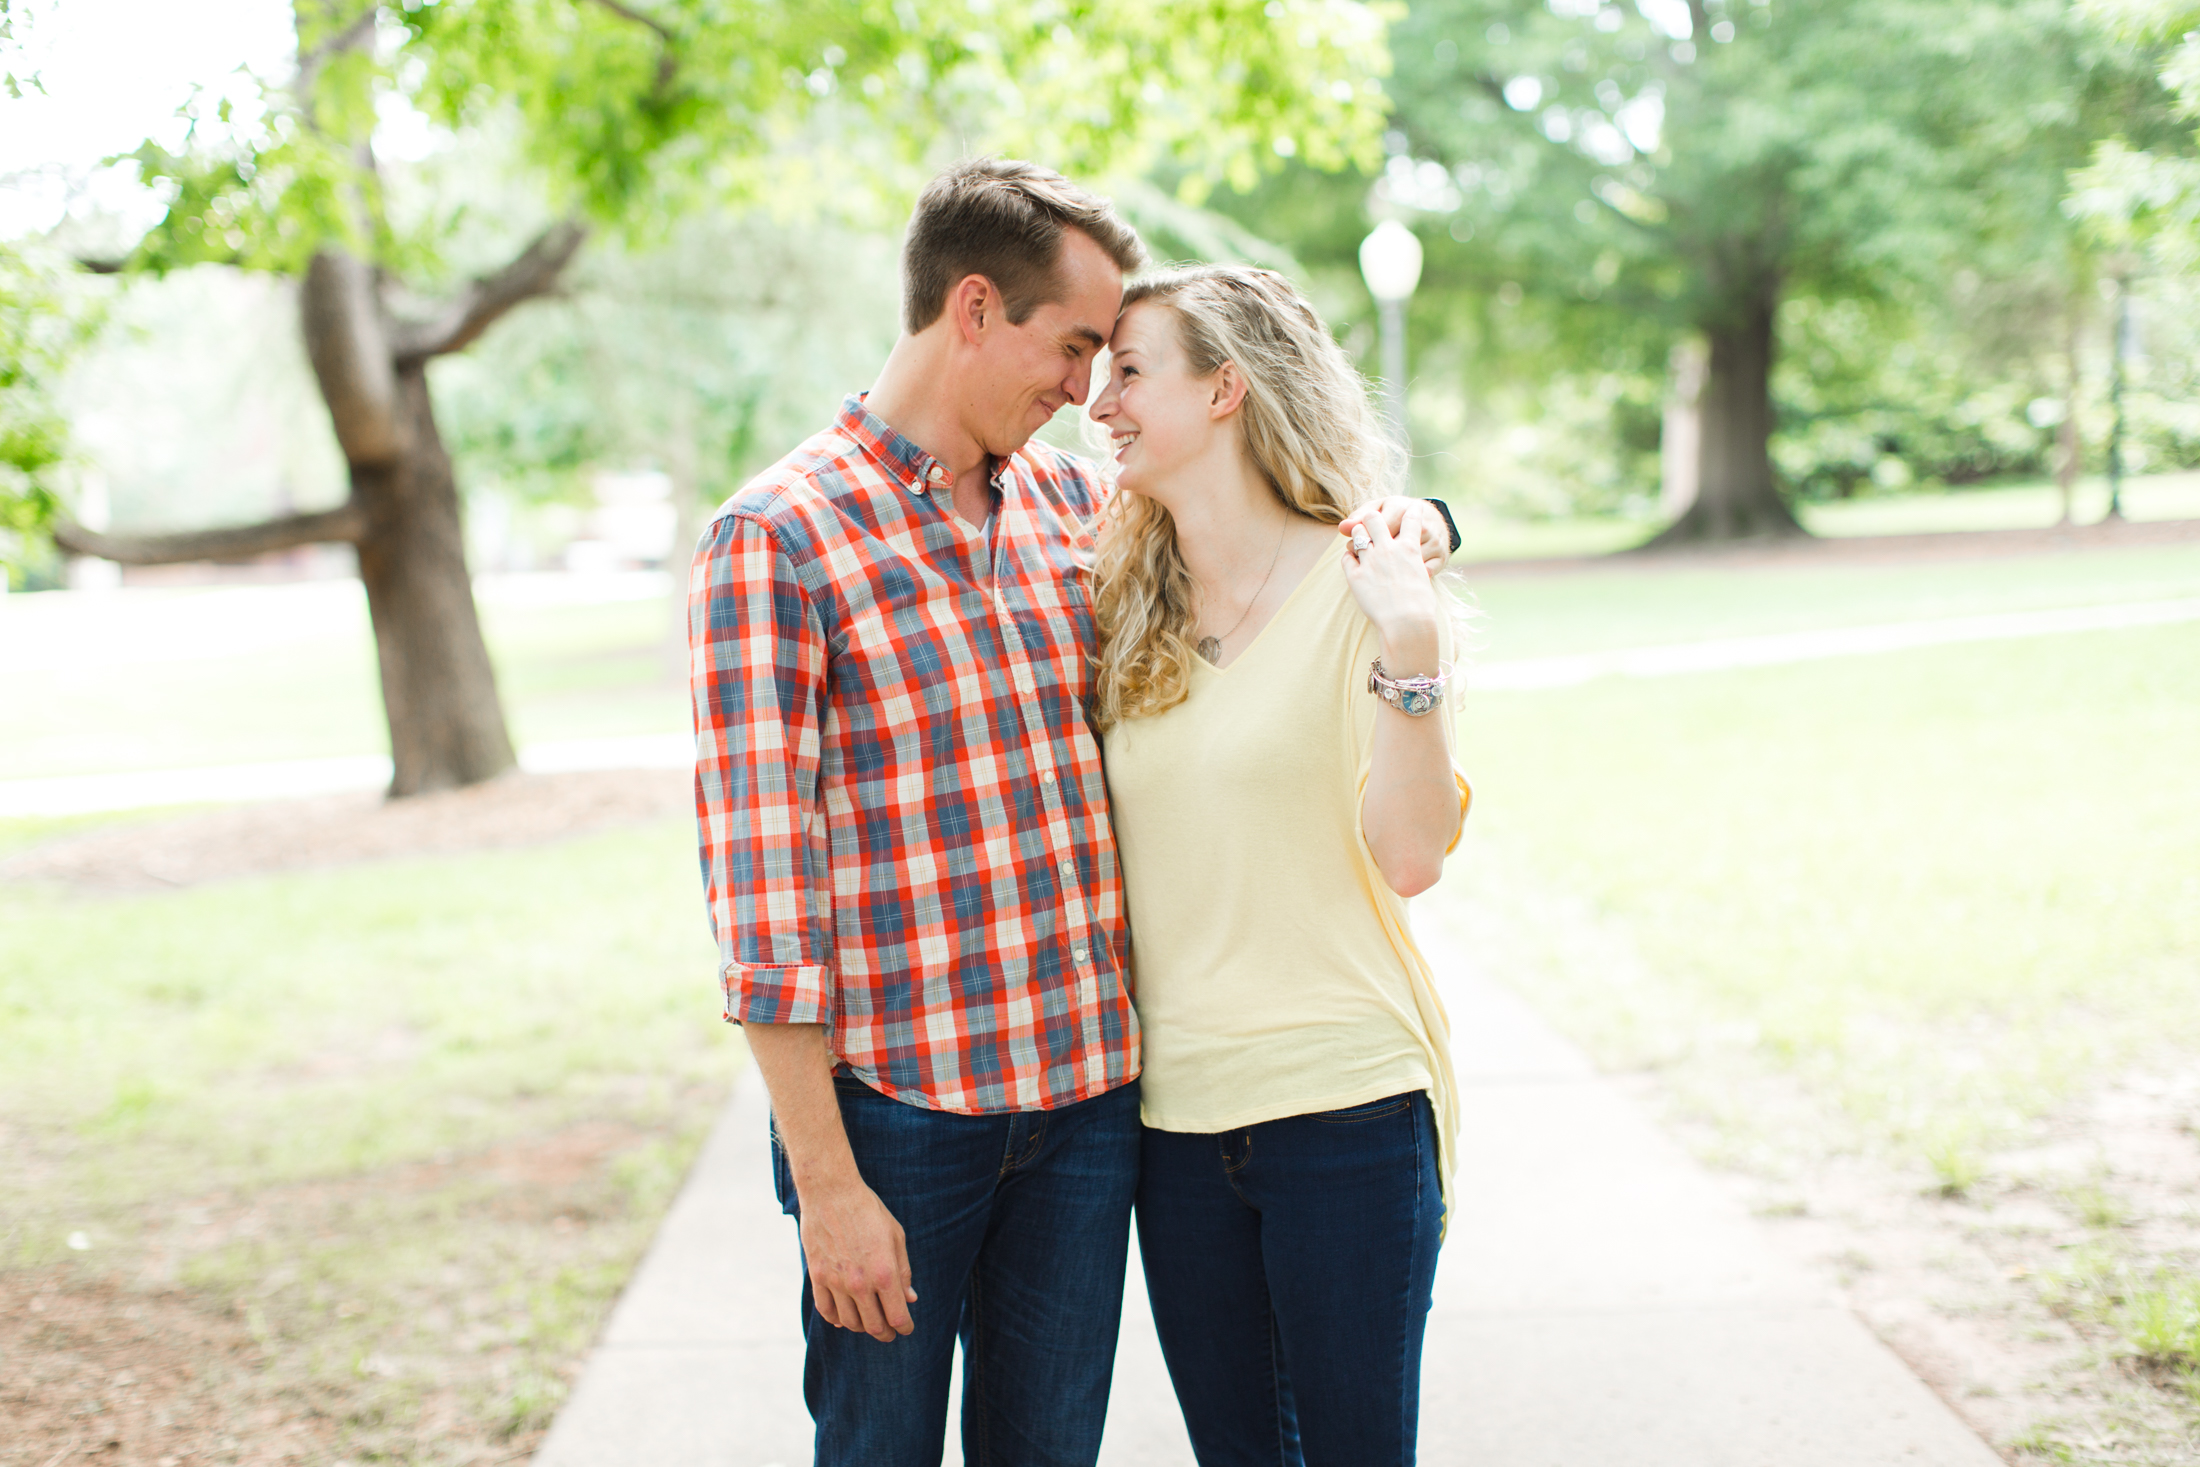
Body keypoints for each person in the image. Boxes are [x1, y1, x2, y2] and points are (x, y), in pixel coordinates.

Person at [688, 161, 1451, 1465]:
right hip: (904, 1116)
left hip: (1093, 1113)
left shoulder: (1072, 513)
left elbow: (1264, 520)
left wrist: (1422, 526)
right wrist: (825, 1179)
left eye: (1113, 357)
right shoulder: (780, 535)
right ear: (974, 309)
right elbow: (762, 906)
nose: (1087, 390)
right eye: (1075, 346)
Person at [1086, 262, 1471, 1466]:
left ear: (1225, 391)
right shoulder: (1113, 598)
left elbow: (1409, 857)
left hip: (1345, 1105)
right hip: (1177, 1125)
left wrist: (1411, 645)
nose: (1096, 404)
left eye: (1130, 372)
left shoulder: (1372, 590)